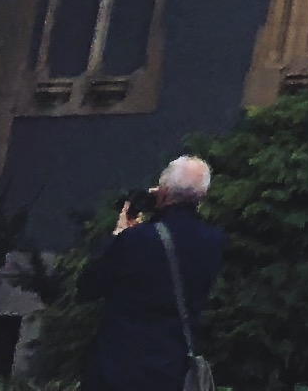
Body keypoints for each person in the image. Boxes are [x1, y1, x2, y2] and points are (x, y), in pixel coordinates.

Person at [81, 155, 220, 391]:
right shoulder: (214, 241)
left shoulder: (135, 240)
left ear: (163, 192)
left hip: (117, 371)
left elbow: (87, 286)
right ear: (202, 197)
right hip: (172, 373)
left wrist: (119, 234)